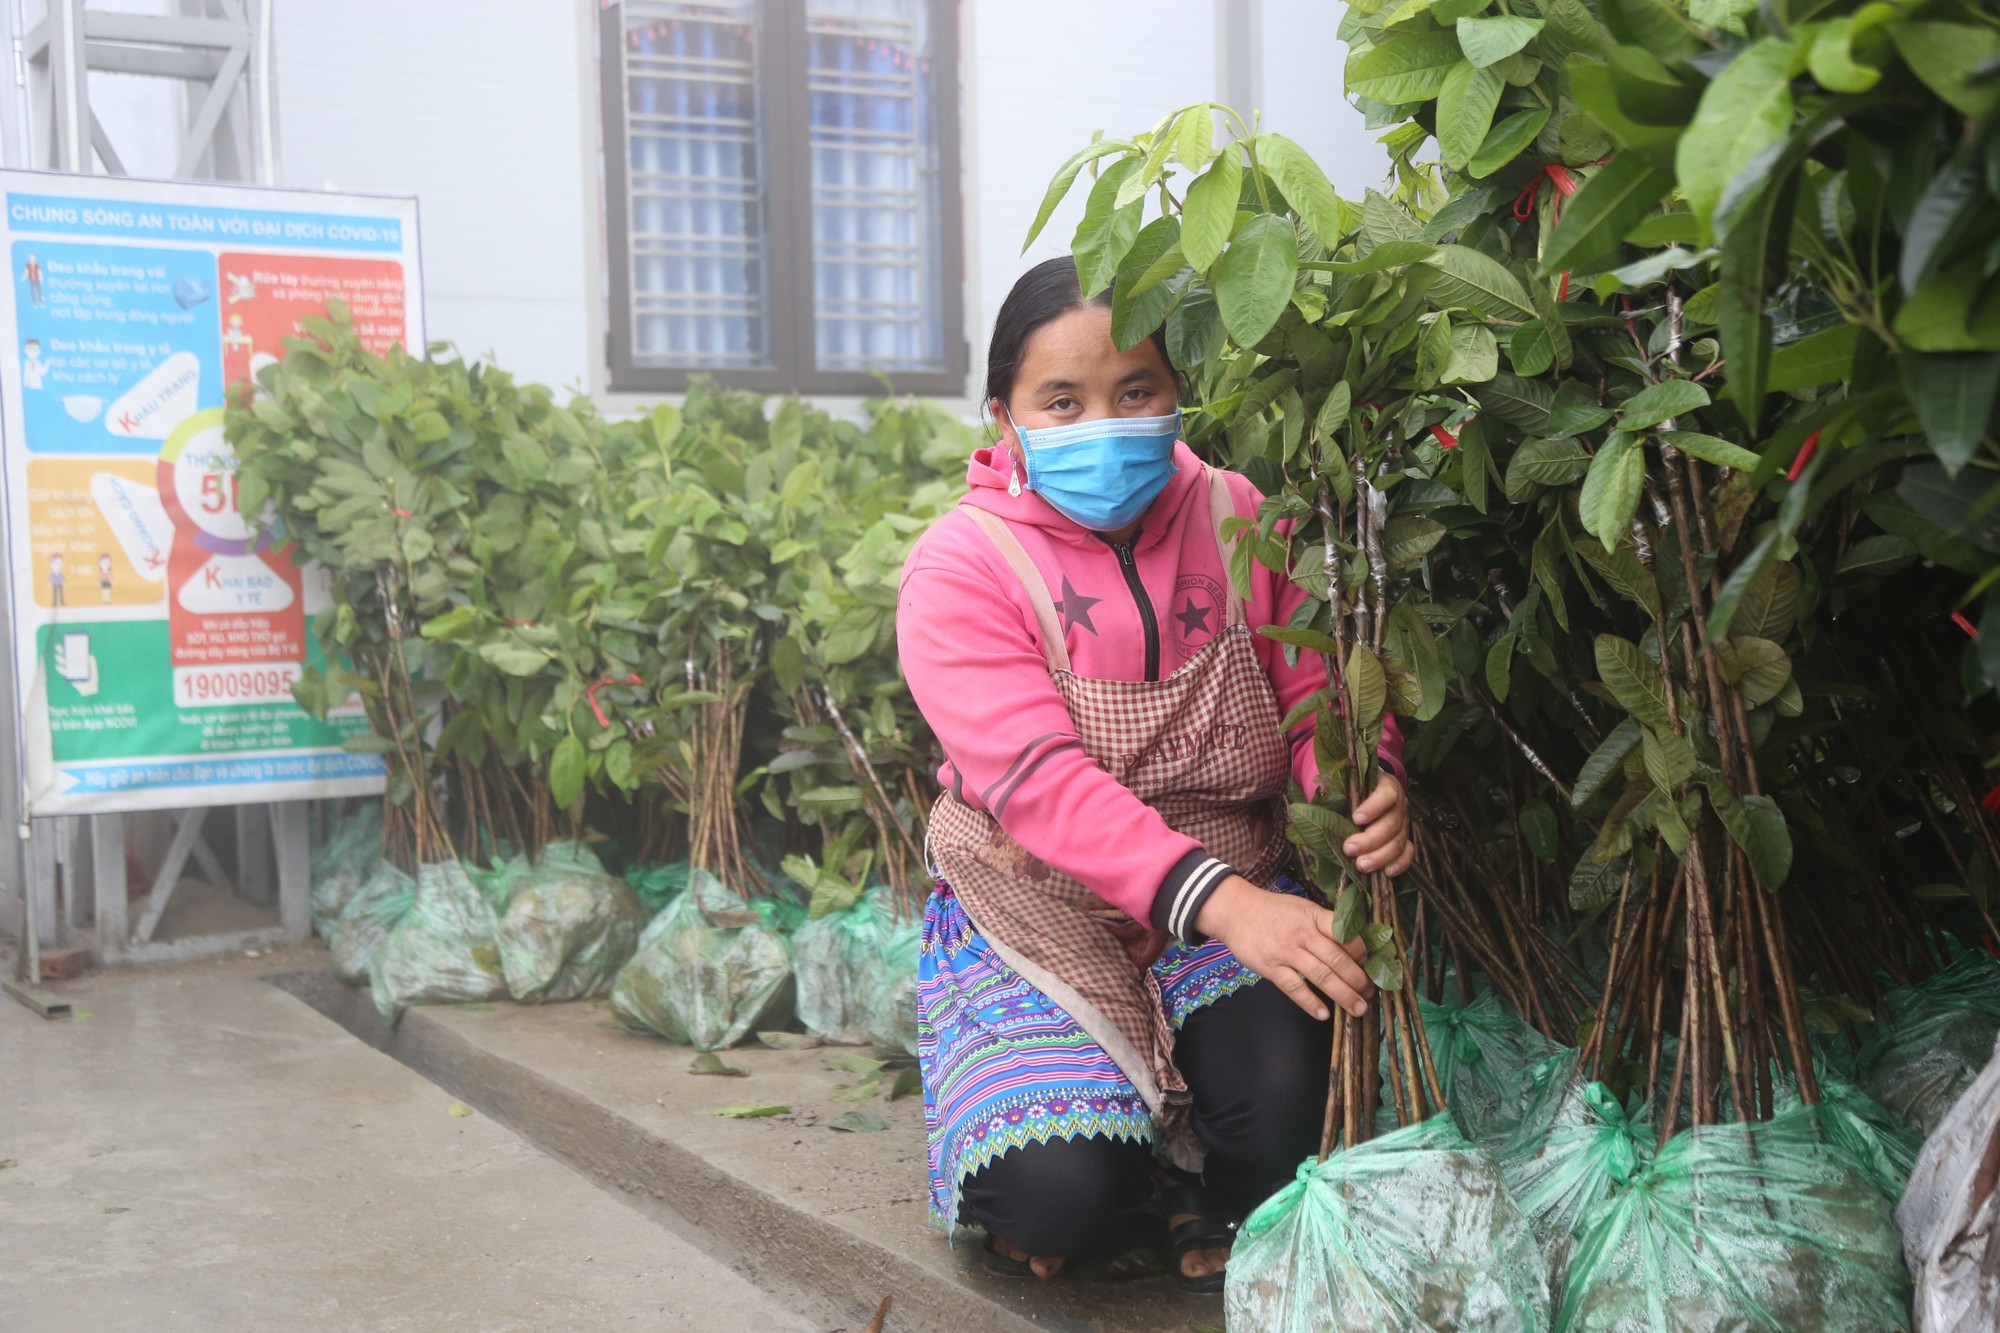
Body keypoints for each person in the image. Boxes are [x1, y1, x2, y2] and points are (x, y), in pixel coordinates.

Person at [898, 256, 1413, 1291]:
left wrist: (1365, 789)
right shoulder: (960, 567)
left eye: (1134, 392)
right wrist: (1223, 907)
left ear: (1177, 393)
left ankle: (1198, 1178)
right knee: (1055, 1193)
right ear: (1004, 416)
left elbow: (1316, 692)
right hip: (1037, 903)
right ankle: (1130, 1176)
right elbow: (1041, 787)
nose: (1104, 421)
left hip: (1234, 876)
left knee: (1289, 1110)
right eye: (1061, 400)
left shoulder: (1235, 512)